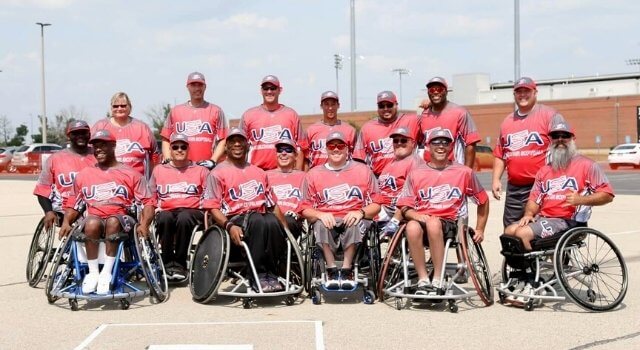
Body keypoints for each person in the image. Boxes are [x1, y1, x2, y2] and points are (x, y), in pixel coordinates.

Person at [58, 130, 156, 295]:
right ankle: (93, 272)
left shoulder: (131, 174)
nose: (98, 149)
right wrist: (67, 222)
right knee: (91, 222)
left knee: (112, 221)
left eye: (103, 144)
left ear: (113, 145)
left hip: (122, 218)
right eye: (95, 146)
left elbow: (148, 203)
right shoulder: (84, 175)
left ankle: (107, 272)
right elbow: (74, 204)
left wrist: (145, 224)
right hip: (95, 218)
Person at [397, 129, 489, 294]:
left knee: (433, 223)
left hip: (450, 222)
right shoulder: (416, 173)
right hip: (421, 220)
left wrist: (480, 228)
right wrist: (416, 215)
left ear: (451, 146)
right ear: (428, 146)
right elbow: (404, 206)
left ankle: (438, 279)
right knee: (411, 226)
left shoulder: (464, 172)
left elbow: (483, 200)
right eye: (436, 142)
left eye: (445, 142)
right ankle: (423, 279)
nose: (441, 146)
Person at [203, 128, 291, 293]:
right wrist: (229, 226)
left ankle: (270, 275)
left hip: (260, 217)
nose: (237, 144)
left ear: (247, 145)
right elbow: (212, 207)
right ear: (226, 146)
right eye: (232, 141)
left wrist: (286, 230)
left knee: (273, 221)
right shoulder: (216, 173)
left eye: (241, 141)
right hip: (234, 219)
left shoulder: (258, 172)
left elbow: (273, 205)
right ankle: (256, 275)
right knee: (258, 220)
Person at [504, 123, 614, 251]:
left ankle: (533, 267)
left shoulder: (587, 165)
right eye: (556, 136)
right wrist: (528, 214)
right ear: (551, 140)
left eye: (565, 136)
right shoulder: (544, 170)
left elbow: (607, 195)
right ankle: (530, 266)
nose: (560, 140)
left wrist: (581, 200)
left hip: (569, 222)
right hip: (544, 218)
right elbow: (534, 199)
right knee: (510, 230)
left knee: (522, 234)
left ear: (573, 139)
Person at [301, 131, 381, 290]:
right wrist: (320, 214)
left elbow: (377, 203)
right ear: (326, 149)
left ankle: (346, 269)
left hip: (354, 216)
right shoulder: (313, 174)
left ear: (347, 149)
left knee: (353, 222)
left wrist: (361, 213)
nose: (336, 149)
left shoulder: (363, 170)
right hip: (327, 217)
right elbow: (304, 208)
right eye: (332, 146)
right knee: (320, 224)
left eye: (340, 145)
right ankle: (331, 269)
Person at [492, 77, 567, 228]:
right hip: (515, 189)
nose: (522, 95)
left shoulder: (549, 116)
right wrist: (496, 179)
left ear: (535, 92)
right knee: (510, 232)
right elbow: (500, 154)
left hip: (541, 186)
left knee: (542, 231)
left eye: (526, 91)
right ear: (514, 95)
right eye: (518, 92)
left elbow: (564, 148)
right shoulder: (507, 121)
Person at [150, 133, 209, 280]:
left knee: (184, 217)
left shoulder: (201, 170)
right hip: (166, 210)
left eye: (183, 147)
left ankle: (181, 264)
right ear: (170, 150)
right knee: (164, 217)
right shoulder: (159, 170)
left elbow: (210, 196)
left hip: (192, 211)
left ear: (188, 149)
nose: (179, 150)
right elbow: (151, 196)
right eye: (175, 147)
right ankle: (168, 263)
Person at [33, 120, 96, 230]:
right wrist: (48, 212)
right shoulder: (55, 159)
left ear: (89, 135)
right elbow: (42, 189)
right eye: (75, 133)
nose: (80, 136)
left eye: (84, 133)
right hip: (64, 209)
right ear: (68, 136)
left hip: (93, 206)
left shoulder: (98, 156)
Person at [240, 75, 308, 171]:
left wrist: (297, 174)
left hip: (284, 173)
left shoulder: (291, 114)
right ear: (261, 91)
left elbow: (301, 148)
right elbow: (240, 147)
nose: (269, 91)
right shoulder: (249, 115)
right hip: (256, 172)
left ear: (280, 90)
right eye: (266, 88)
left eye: (273, 88)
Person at [160, 72, 228, 167]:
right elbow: (165, 138)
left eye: (200, 85)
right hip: (180, 167)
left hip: (205, 167)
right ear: (187, 87)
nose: (197, 88)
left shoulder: (216, 110)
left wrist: (213, 160)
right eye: (193, 85)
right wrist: (168, 158)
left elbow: (223, 139)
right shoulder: (176, 111)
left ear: (205, 87)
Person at [353, 90, 422, 177]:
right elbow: (358, 159)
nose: (385, 109)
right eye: (381, 106)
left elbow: (433, 119)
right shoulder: (367, 128)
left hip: (408, 176)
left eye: (389, 105)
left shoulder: (412, 120)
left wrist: (430, 105)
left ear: (396, 105)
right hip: (379, 178)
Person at [92, 92, 158, 179]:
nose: (119, 108)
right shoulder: (100, 126)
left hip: (138, 183)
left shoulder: (142, 127)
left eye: (123, 105)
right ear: (111, 108)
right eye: (115, 106)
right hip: (107, 181)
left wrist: (152, 179)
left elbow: (155, 155)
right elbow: (89, 153)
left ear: (130, 107)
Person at [420, 77, 480, 167]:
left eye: (439, 89)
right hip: (428, 170)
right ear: (428, 93)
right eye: (432, 90)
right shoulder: (424, 115)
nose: (436, 92)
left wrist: (467, 172)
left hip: (452, 169)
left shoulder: (459, 112)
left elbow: (471, 143)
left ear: (446, 92)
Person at [377, 127, 424, 239]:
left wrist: (395, 220)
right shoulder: (390, 163)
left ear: (413, 143)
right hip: (384, 209)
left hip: (400, 211)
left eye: (403, 141)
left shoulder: (414, 162)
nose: (399, 143)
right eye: (395, 141)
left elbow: (410, 197)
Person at [266, 138, 306, 240]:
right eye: (280, 150)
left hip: (293, 220)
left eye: (288, 150)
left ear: (296, 156)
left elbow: (308, 204)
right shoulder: (265, 175)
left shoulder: (304, 177)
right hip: (270, 218)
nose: (283, 153)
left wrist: (300, 214)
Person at [305, 91, 357, 168]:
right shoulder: (310, 130)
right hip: (317, 176)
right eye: (326, 104)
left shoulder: (350, 131)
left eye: (333, 104)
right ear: (321, 106)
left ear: (338, 106)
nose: (330, 108)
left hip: (343, 175)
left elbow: (355, 159)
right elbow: (305, 159)